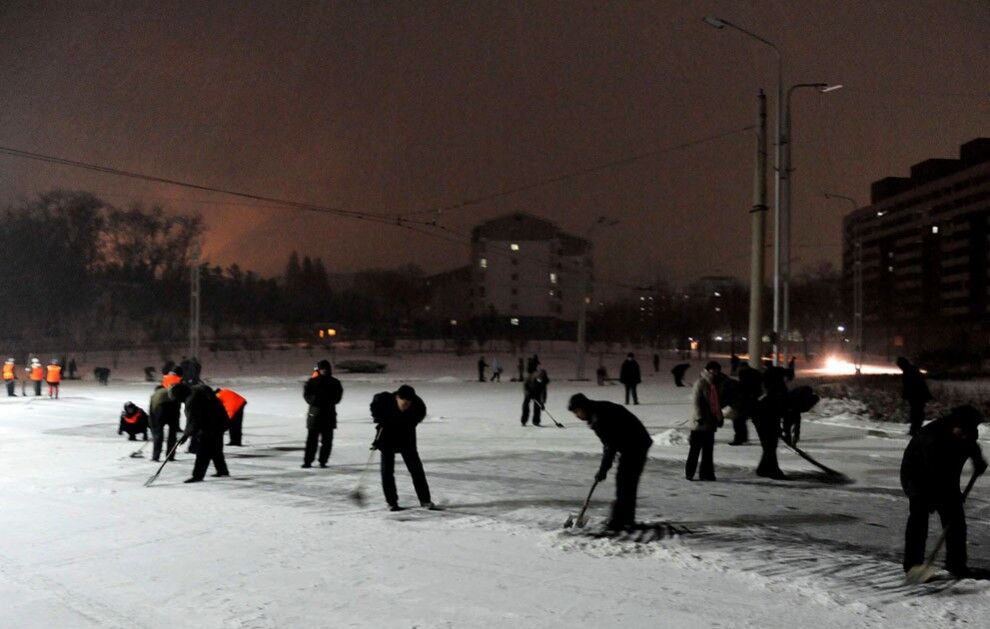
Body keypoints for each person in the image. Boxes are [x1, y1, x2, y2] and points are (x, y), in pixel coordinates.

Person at [900, 405, 987, 577]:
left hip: (946, 479)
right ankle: (912, 566)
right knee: (918, 522)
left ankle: (956, 565)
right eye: (962, 431)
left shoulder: (966, 432)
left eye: (970, 431)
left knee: (956, 523)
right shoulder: (931, 437)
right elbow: (932, 471)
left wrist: (978, 461)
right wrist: (936, 498)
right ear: (954, 424)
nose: (966, 435)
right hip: (917, 478)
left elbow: (972, 446)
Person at [567, 393, 653, 531]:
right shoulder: (596, 411)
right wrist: (604, 469)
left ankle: (621, 521)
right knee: (625, 481)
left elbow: (610, 446)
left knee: (626, 481)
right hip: (630, 443)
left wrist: (603, 470)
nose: (577, 416)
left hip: (636, 443)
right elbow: (609, 444)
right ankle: (624, 519)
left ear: (583, 407)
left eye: (577, 411)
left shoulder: (599, 417)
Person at [370, 384, 436, 511]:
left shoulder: (418, 407)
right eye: (403, 403)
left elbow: (416, 419)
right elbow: (374, 407)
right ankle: (392, 502)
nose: (406, 406)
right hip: (387, 437)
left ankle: (425, 500)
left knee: (416, 470)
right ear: (397, 398)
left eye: (408, 404)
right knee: (387, 471)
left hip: (406, 437)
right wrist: (378, 420)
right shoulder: (384, 401)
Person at [170, 382, 229, 483]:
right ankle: (222, 470)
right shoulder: (197, 390)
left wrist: (185, 435)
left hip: (211, 425)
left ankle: (197, 475)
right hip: (220, 421)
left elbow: (193, 421)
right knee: (215, 448)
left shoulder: (191, 400)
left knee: (203, 451)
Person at [686, 361, 724, 481]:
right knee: (695, 450)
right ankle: (689, 473)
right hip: (699, 423)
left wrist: (719, 418)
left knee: (708, 451)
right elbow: (696, 402)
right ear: (707, 370)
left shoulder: (714, 384)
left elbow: (716, 404)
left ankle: (706, 474)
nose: (715, 373)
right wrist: (699, 417)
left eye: (717, 371)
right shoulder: (701, 383)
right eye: (713, 370)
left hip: (710, 423)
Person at [302, 359, 343, 468]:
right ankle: (308, 461)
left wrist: (327, 400)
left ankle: (323, 461)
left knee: (327, 442)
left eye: (326, 368)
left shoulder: (334, 382)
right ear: (319, 370)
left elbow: (338, 397)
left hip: (328, 415)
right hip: (315, 415)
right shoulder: (312, 382)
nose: (324, 370)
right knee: (311, 441)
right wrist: (315, 400)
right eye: (322, 369)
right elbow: (307, 396)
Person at [755, 366, 788, 479]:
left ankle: (763, 469)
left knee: (769, 446)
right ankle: (773, 471)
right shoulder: (778, 389)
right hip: (765, 417)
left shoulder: (771, 386)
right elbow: (779, 410)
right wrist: (780, 428)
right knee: (770, 446)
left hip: (762, 416)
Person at [897, 356, 932, 437]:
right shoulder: (912, 369)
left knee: (916, 413)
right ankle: (915, 429)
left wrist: (905, 396)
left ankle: (915, 430)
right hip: (918, 395)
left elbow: (909, 386)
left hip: (917, 396)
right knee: (917, 413)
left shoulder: (908, 372)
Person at [730, 362, 761, 445]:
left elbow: (743, 387)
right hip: (755, 400)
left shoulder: (743, 373)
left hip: (745, 401)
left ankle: (740, 438)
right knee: (757, 421)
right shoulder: (757, 373)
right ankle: (764, 438)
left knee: (738, 420)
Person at [149, 384, 181, 462]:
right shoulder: (170, 391)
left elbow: (151, 412)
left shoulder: (154, 395)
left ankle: (156, 457)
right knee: (172, 435)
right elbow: (178, 406)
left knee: (159, 435)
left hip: (160, 410)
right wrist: (176, 425)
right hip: (173, 409)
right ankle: (170, 456)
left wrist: (153, 428)